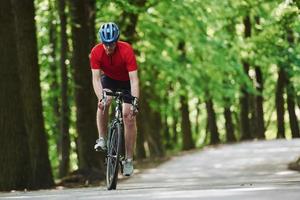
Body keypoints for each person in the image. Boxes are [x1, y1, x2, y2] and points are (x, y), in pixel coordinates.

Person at [89, 22, 139, 176]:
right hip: (109, 80)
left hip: (127, 82)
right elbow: (96, 79)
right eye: (106, 43)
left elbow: (134, 80)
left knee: (128, 116)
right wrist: (101, 98)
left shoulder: (126, 50)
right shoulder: (96, 52)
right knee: (104, 103)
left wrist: (135, 102)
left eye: (111, 44)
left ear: (116, 41)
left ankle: (129, 160)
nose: (108, 47)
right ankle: (102, 139)